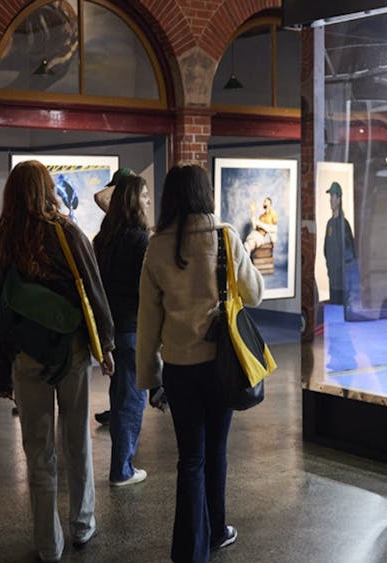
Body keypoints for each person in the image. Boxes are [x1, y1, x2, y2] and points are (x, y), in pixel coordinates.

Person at [0, 160, 116, 563]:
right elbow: (93, 292)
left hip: (27, 358)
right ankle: (82, 524)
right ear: (47, 189)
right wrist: (105, 344)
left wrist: (0, 369)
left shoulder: (2, 241)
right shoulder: (67, 232)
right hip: (73, 353)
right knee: (77, 441)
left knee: (37, 452)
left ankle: (48, 543)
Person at [137, 164, 264, 562]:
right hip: (219, 366)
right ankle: (217, 530)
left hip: (179, 368)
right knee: (217, 450)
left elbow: (147, 322)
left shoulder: (157, 246)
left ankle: (190, 550)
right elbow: (256, 294)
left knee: (190, 458)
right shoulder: (224, 237)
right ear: (204, 194)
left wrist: (149, 378)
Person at [93, 171, 150, 487]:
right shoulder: (139, 240)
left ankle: (122, 464)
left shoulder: (104, 238)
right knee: (130, 401)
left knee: (120, 398)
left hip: (112, 329)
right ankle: (122, 469)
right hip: (132, 329)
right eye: (143, 195)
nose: (148, 201)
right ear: (131, 200)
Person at [322, 182, 356, 305]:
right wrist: (330, 268)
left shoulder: (344, 225)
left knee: (341, 313)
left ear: (339, 199)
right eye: (330, 197)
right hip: (332, 280)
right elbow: (325, 249)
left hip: (342, 283)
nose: (330, 200)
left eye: (332, 196)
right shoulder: (329, 224)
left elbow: (351, 252)